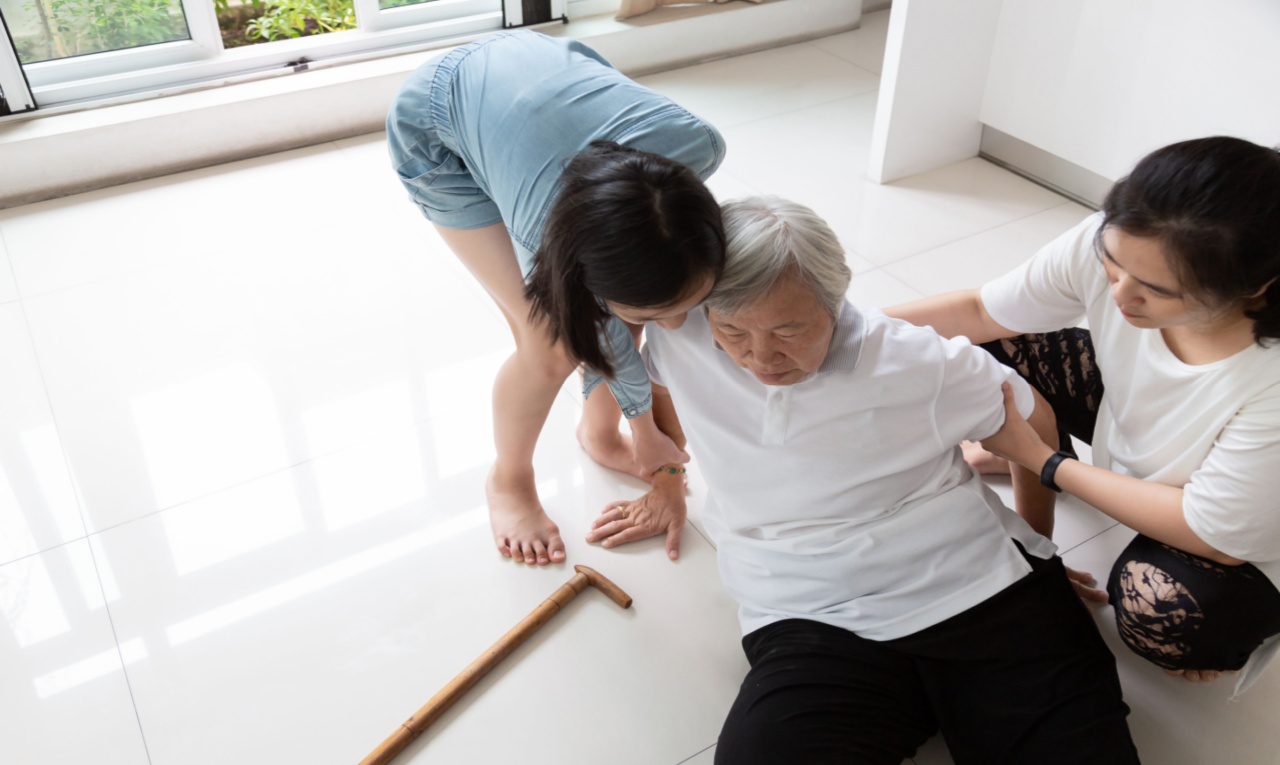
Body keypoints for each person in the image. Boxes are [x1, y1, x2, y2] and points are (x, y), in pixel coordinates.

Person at [592, 196, 1138, 764]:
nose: (759, 357)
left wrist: (1036, 541)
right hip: (811, 613)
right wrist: (669, 477)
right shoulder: (684, 331)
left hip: (979, 587)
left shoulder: (915, 361)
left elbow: (1034, 421)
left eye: (788, 331)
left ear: (835, 301)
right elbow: (645, 369)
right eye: (732, 331)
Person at [888, 136, 1280, 693]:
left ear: (1256, 288)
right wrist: (840, 337)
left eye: (1155, 290)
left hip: (1242, 532)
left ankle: (1240, 625)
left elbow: (1212, 534)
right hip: (1145, 442)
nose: (1120, 293)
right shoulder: (1130, 241)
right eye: (1113, 264)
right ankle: (1062, 471)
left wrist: (1042, 459)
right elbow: (981, 312)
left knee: (1162, 611)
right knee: (976, 353)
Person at [386, 30, 726, 567]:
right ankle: (508, 480)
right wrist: (651, 439)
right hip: (436, 120)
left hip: (539, 68)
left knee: (634, 291)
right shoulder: (545, 230)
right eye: (665, 317)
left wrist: (648, 435)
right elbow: (591, 328)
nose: (678, 325)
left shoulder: (699, 145)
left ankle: (597, 432)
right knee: (549, 347)